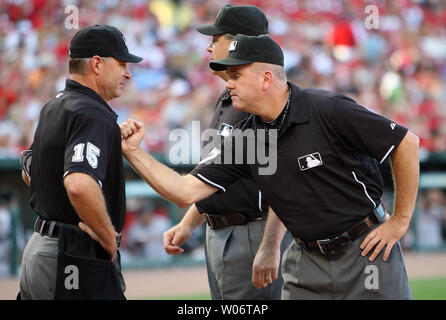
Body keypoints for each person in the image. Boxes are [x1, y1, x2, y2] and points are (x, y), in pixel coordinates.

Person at [119, 34, 419, 299]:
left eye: (236, 75)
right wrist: (133, 152)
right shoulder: (245, 138)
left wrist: (400, 221)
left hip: (364, 250)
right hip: (306, 261)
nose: (229, 83)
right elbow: (184, 191)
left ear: (266, 78)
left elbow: (406, 143)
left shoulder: (327, 109)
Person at [162, 4, 290, 300]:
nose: (208, 47)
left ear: (236, 43)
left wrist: (270, 246)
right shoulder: (229, 96)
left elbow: (284, 184)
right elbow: (219, 175)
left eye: (215, 39)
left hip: (253, 231)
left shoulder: (263, 101)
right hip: (218, 232)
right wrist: (188, 223)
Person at [19, 25, 142, 300]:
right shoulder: (91, 112)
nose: (127, 72)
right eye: (121, 63)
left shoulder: (56, 104)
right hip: (71, 255)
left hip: (40, 249)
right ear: (97, 64)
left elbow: (29, 169)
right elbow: (78, 184)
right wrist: (109, 237)